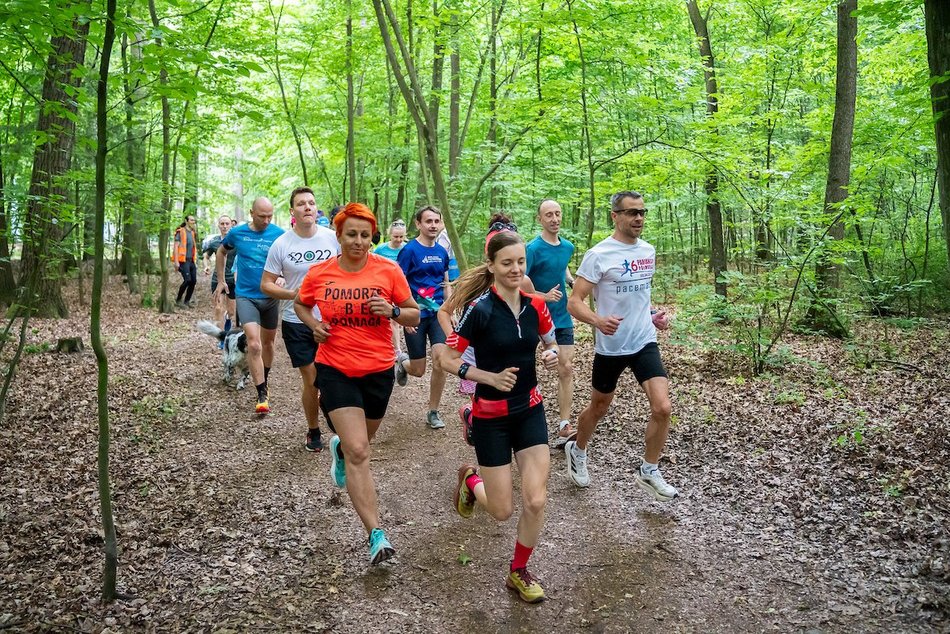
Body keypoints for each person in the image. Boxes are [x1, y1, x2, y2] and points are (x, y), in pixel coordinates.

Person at [294, 202, 420, 565]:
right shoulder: (320, 274)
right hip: (335, 368)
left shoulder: (389, 269)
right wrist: (313, 325)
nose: (359, 241)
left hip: (378, 370)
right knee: (360, 452)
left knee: (360, 443)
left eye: (365, 235)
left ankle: (339, 448)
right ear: (339, 235)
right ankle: (376, 534)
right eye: (352, 234)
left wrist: (393, 311)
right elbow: (303, 305)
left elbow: (413, 312)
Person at [438, 230, 559, 604]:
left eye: (520, 262)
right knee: (503, 510)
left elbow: (550, 340)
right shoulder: (480, 311)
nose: (515, 269)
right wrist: (488, 377)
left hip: (530, 410)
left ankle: (518, 571)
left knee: (536, 500)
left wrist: (551, 353)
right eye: (507, 263)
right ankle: (470, 480)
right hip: (490, 416)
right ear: (491, 266)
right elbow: (445, 358)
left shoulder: (536, 306)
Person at [565, 190, 677, 501]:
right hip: (611, 346)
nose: (638, 218)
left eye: (641, 212)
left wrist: (654, 316)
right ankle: (578, 448)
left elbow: (639, 300)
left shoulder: (648, 251)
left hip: (644, 340)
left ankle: (649, 469)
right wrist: (598, 321)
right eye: (630, 212)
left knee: (663, 407)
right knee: (600, 407)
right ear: (615, 216)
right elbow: (575, 303)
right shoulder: (599, 254)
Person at [262, 187, 339, 452]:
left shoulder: (332, 239)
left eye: (311, 203)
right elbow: (266, 284)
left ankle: (335, 415)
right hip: (296, 320)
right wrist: (293, 293)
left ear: (317, 210)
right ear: (292, 211)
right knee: (312, 378)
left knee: (332, 376)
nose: (307, 207)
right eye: (301, 204)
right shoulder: (282, 244)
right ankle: (314, 428)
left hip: (332, 318)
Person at [216, 197, 284, 415]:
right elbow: (221, 252)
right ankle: (261, 393)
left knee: (268, 345)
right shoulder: (237, 233)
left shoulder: (279, 234)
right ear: (251, 213)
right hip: (246, 296)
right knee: (254, 345)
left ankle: (265, 377)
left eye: (269, 216)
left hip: (271, 297)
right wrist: (221, 280)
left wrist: (283, 276)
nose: (266, 220)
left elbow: (289, 258)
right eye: (261, 216)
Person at [522, 199, 577, 447]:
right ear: (540, 219)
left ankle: (564, 424)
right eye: (548, 215)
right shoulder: (532, 249)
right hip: (533, 317)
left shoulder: (567, 247)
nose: (554, 219)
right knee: (525, 369)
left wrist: (575, 283)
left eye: (557, 214)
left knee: (566, 367)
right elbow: (519, 283)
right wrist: (542, 296)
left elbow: (562, 270)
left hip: (562, 317)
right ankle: (522, 418)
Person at [395, 205, 451, 429]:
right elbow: (397, 284)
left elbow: (446, 282)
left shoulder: (442, 252)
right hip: (416, 314)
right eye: (428, 221)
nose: (433, 226)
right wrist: (404, 315)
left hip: (437, 314)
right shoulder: (409, 251)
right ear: (418, 224)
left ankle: (433, 411)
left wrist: (449, 308)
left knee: (441, 361)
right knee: (418, 370)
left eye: (436, 221)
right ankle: (403, 362)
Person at [375, 219, 409, 360]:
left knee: (396, 319)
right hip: (385, 287)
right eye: (396, 236)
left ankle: (397, 348)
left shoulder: (407, 248)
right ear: (390, 235)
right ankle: (392, 348)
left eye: (401, 237)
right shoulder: (381, 249)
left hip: (403, 288)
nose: (399, 240)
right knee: (388, 319)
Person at [202, 215, 237, 335]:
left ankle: (227, 324)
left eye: (227, 223)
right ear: (218, 225)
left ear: (231, 225)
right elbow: (206, 256)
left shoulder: (236, 241)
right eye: (222, 224)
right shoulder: (214, 241)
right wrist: (206, 265)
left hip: (232, 280)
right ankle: (221, 335)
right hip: (218, 280)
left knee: (231, 312)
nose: (224, 226)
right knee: (218, 308)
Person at [173, 214, 199, 308]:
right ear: (186, 221)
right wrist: (176, 261)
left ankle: (186, 301)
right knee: (187, 280)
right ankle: (178, 300)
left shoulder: (192, 233)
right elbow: (176, 247)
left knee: (193, 281)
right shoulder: (180, 231)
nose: (193, 222)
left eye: (194, 220)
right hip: (183, 261)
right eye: (191, 220)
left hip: (191, 260)